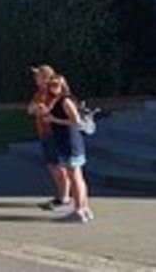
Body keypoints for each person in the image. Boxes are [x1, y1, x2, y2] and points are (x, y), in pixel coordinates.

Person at [40, 75, 92, 223]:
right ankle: (85, 209)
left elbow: (76, 121)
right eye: (51, 85)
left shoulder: (66, 100)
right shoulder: (58, 101)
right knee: (77, 177)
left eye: (56, 85)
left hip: (70, 143)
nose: (53, 88)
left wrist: (53, 119)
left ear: (63, 86)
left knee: (75, 178)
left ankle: (79, 211)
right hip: (66, 142)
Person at [27, 65, 69, 210]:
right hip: (44, 133)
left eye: (38, 76)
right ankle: (60, 195)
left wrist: (42, 109)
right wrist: (36, 108)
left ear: (45, 77)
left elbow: (56, 107)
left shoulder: (54, 90)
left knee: (58, 166)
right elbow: (30, 109)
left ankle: (64, 197)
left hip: (54, 133)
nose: (35, 79)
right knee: (51, 166)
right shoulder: (39, 92)